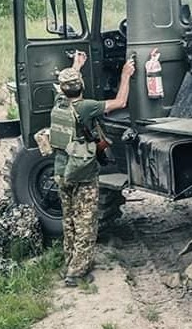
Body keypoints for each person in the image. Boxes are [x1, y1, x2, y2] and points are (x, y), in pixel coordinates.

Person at [50, 51, 134, 287]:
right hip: (82, 173)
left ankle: (71, 262)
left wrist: (76, 64)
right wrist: (125, 75)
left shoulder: (58, 105)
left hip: (61, 171)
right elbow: (120, 103)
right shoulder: (86, 107)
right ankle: (77, 273)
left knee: (69, 220)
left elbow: (67, 85)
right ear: (81, 86)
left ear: (62, 89)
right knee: (86, 221)